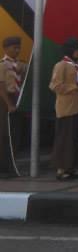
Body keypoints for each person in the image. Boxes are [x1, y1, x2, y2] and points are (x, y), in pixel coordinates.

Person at [49, 37, 78, 180]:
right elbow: (55, 86)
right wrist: (75, 87)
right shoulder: (61, 65)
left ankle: (70, 168)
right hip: (66, 107)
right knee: (65, 138)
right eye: (76, 49)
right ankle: (61, 169)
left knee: (75, 138)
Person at [1, 36, 25, 177]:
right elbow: (1, 87)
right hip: (5, 100)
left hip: (17, 99)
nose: (17, 50)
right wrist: (9, 104)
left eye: (18, 47)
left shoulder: (20, 65)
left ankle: (11, 165)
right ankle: (3, 167)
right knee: (5, 134)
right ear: (6, 48)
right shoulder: (3, 65)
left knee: (15, 134)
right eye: (14, 47)